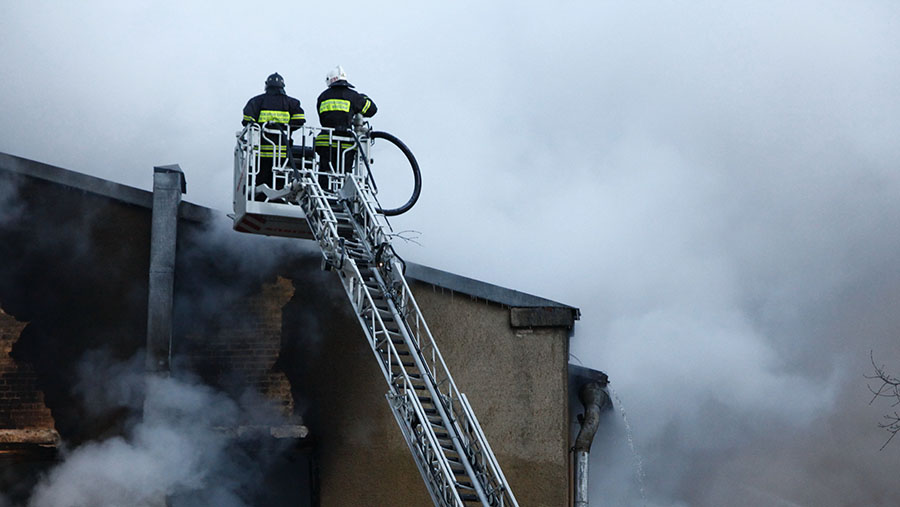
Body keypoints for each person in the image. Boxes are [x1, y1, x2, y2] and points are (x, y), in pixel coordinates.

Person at [242, 73, 305, 195]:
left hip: (261, 150)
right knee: (280, 179)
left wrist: (261, 127)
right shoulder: (292, 103)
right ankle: (281, 199)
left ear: (267, 86)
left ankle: (260, 198)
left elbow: (247, 120)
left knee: (261, 178)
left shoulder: (256, 101)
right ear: (283, 86)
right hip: (282, 151)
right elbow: (300, 120)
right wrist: (286, 128)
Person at [315, 66, 377, 184]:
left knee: (324, 174)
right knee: (345, 176)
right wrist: (364, 98)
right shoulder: (353, 96)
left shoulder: (322, 97)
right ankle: (344, 198)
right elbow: (372, 110)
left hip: (325, 141)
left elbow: (321, 117)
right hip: (346, 143)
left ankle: (325, 192)